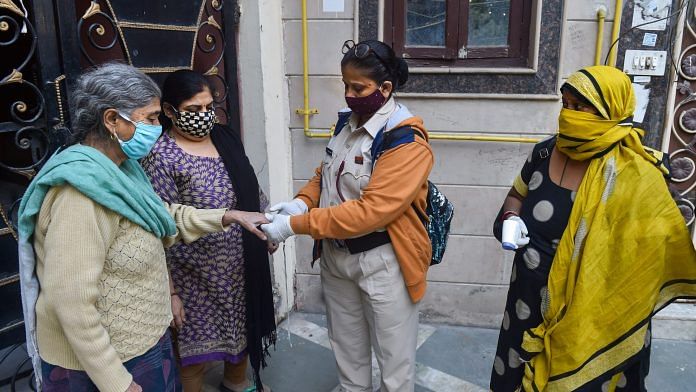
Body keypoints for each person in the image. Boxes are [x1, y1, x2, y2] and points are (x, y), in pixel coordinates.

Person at [17, 63, 269, 392]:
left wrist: (229, 216)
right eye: (150, 118)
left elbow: (159, 215)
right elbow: (72, 301)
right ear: (112, 120)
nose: (156, 126)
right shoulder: (78, 194)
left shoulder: (122, 170)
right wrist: (117, 382)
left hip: (144, 345)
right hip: (102, 367)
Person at [490, 65, 696, 391]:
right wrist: (510, 220)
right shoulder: (544, 152)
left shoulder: (637, 174)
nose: (569, 114)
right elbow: (516, 196)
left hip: (594, 316)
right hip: (526, 304)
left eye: (580, 107)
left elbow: (650, 257)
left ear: (610, 110)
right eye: (565, 105)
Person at [261, 39, 433, 392]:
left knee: (394, 367)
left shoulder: (406, 141)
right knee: (348, 355)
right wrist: (300, 203)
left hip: (383, 262)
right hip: (336, 258)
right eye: (345, 86)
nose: (349, 95)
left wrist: (295, 225)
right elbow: (323, 174)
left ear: (385, 88)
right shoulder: (346, 125)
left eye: (359, 88)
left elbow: (370, 213)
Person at [142, 70, 276, 392]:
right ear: (170, 112)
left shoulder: (224, 138)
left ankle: (237, 383)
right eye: (192, 110)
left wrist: (268, 226)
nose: (204, 116)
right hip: (192, 275)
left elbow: (250, 188)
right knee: (193, 351)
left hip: (240, 264)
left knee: (242, 331)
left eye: (209, 107)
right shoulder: (161, 156)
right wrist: (171, 291)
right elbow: (162, 225)